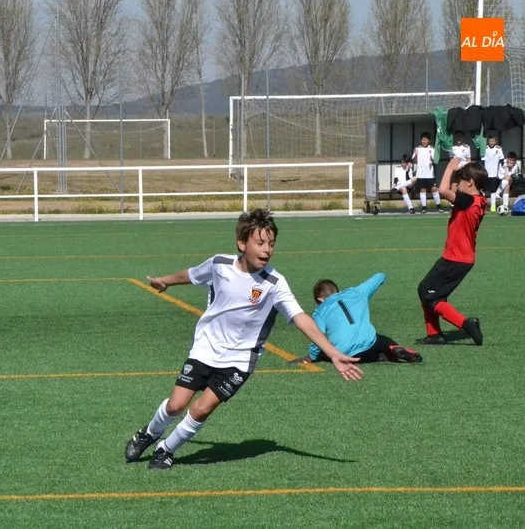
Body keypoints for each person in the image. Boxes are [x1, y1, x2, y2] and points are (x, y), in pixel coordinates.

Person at [123, 209, 363, 471]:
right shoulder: (219, 265)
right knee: (175, 405)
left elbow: (300, 317)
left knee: (202, 409)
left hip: (239, 360)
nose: (267, 250)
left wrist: (332, 353)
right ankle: (149, 433)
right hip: (206, 347)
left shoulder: (274, 283)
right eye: (260, 243)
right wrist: (165, 281)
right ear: (242, 243)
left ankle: (166, 450)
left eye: (271, 244)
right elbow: (191, 275)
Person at [417, 157, 488, 346]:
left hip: (455, 258)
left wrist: (449, 168)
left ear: (470, 182)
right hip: (463, 258)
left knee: (426, 292)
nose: (457, 183)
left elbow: (442, 191)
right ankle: (434, 335)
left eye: (461, 179)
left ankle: (466, 324)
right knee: (432, 293)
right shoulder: (480, 200)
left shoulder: (467, 200)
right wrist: (461, 172)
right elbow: (456, 191)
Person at [292, 274, 422, 366]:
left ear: (320, 300)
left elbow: (317, 335)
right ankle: (392, 349)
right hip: (370, 343)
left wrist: (311, 356)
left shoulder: (320, 311)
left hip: (347, 354)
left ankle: (379, 356)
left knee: (324, 350)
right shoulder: (357, 292)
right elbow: (380, 276)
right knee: (381, 339)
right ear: (339, 290)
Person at [412, 132, 442, 214]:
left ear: (429, 141)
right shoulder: (417, 149)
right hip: (420, 174)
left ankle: (438, 205)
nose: (424, 141)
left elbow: (435, 161)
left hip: (430, 173)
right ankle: (424, 207)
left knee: (434, 189)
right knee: (422, 190)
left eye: (425, 140)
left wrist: (433, 159)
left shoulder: (432, 149)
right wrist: (415, 155)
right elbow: (414, 160)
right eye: (423, 140)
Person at [482, 135, 505, 212]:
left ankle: (493, 206)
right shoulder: (485, 149)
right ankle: (483, 206)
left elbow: (501, 159)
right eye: (490, 141)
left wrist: (502, 169)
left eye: (493, 141)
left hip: (494, 173)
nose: (491, 142)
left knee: (493, 190)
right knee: (484, 190)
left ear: (495, 141)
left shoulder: (498, 148)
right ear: (488, 141)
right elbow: (482, 161)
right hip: (486, 173)